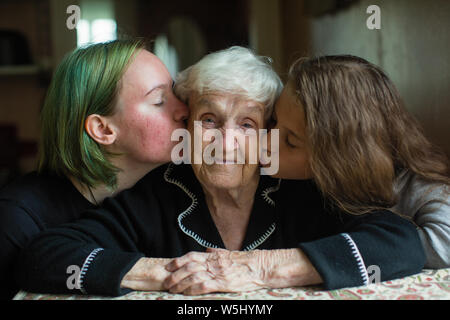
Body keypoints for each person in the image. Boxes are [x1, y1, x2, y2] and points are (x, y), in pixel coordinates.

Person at [15, 47, 425, 297]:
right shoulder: (159, 192)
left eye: (246, 125)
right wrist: (164, 272)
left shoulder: (296, 189)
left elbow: (399, 240)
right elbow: (46, 256)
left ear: (267, 132)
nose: (225, 142)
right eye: (209, 119)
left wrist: (260, 267)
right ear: (188, 124)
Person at [0, 39, 188, 299]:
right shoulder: (15, 219)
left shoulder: (175, 190)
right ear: (103, 129)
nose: (183, 110)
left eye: (176, 93)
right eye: (159, 101)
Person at [265, 55, 449, 268]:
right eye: (274, 121)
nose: (266, 140)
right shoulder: (292, 184)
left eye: (290, 141)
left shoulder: (421, 188)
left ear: (337, 158)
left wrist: (358, 245)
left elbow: (445, 245)